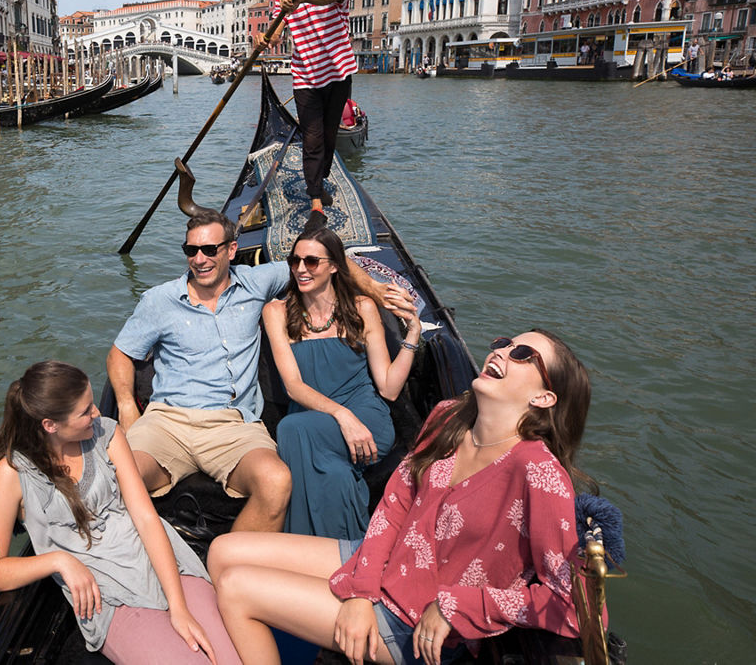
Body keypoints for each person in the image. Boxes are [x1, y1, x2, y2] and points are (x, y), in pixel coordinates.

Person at [209, 329, 591, 665]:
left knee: (236, 589)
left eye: (522, 354)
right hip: (385, 565)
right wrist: (362, 592)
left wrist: (457, 606)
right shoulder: (449, 417)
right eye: (505, 343)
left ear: (544, 397)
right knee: (223, 551)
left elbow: (575, 607)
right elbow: (395, 506)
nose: (502, 352)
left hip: (409, 621)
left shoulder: (540, 474)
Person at [108, 208, 416, 533]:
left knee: (276, 480)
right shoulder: (159, 300)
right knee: (117, 479)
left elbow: (327, 259)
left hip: (233, 424)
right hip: (167, 422)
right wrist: (127, 408)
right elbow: (119, 354)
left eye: (210, 249)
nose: (199, 259)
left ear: (231, 250)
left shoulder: (256, 283)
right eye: (191, 250)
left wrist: (375, 289)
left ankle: (234, 559)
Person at [0, 361, 240, 665]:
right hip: (109, 595)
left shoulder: (107, 433)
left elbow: (146, 518)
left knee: (232, 659)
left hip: (162, 562)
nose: (97, 413)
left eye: (93, 403)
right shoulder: (10, 474)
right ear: (50, 425)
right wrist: (58, 560)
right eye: (85, 411)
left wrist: (179, 607)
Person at [264, 224, 421, 539]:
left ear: (335, 266)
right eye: (295, 261)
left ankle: (302, 547)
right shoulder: (276, 311)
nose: (300, 269)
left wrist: (413, 334)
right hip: (316, 418)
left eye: (312, 261)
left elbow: (389, 388)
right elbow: (293, 386)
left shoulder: (362, 308)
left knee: (291, 430)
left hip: (367, 420)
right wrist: (341, 415)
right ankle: (350, 549)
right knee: (333, 471)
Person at [256, 0, 357, 214]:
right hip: (306, 77)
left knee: (328, 136)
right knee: (312, 139)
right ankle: (315, 202)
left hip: (338, 72)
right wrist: (264, 39)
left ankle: (319, 180)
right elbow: (276, 34)